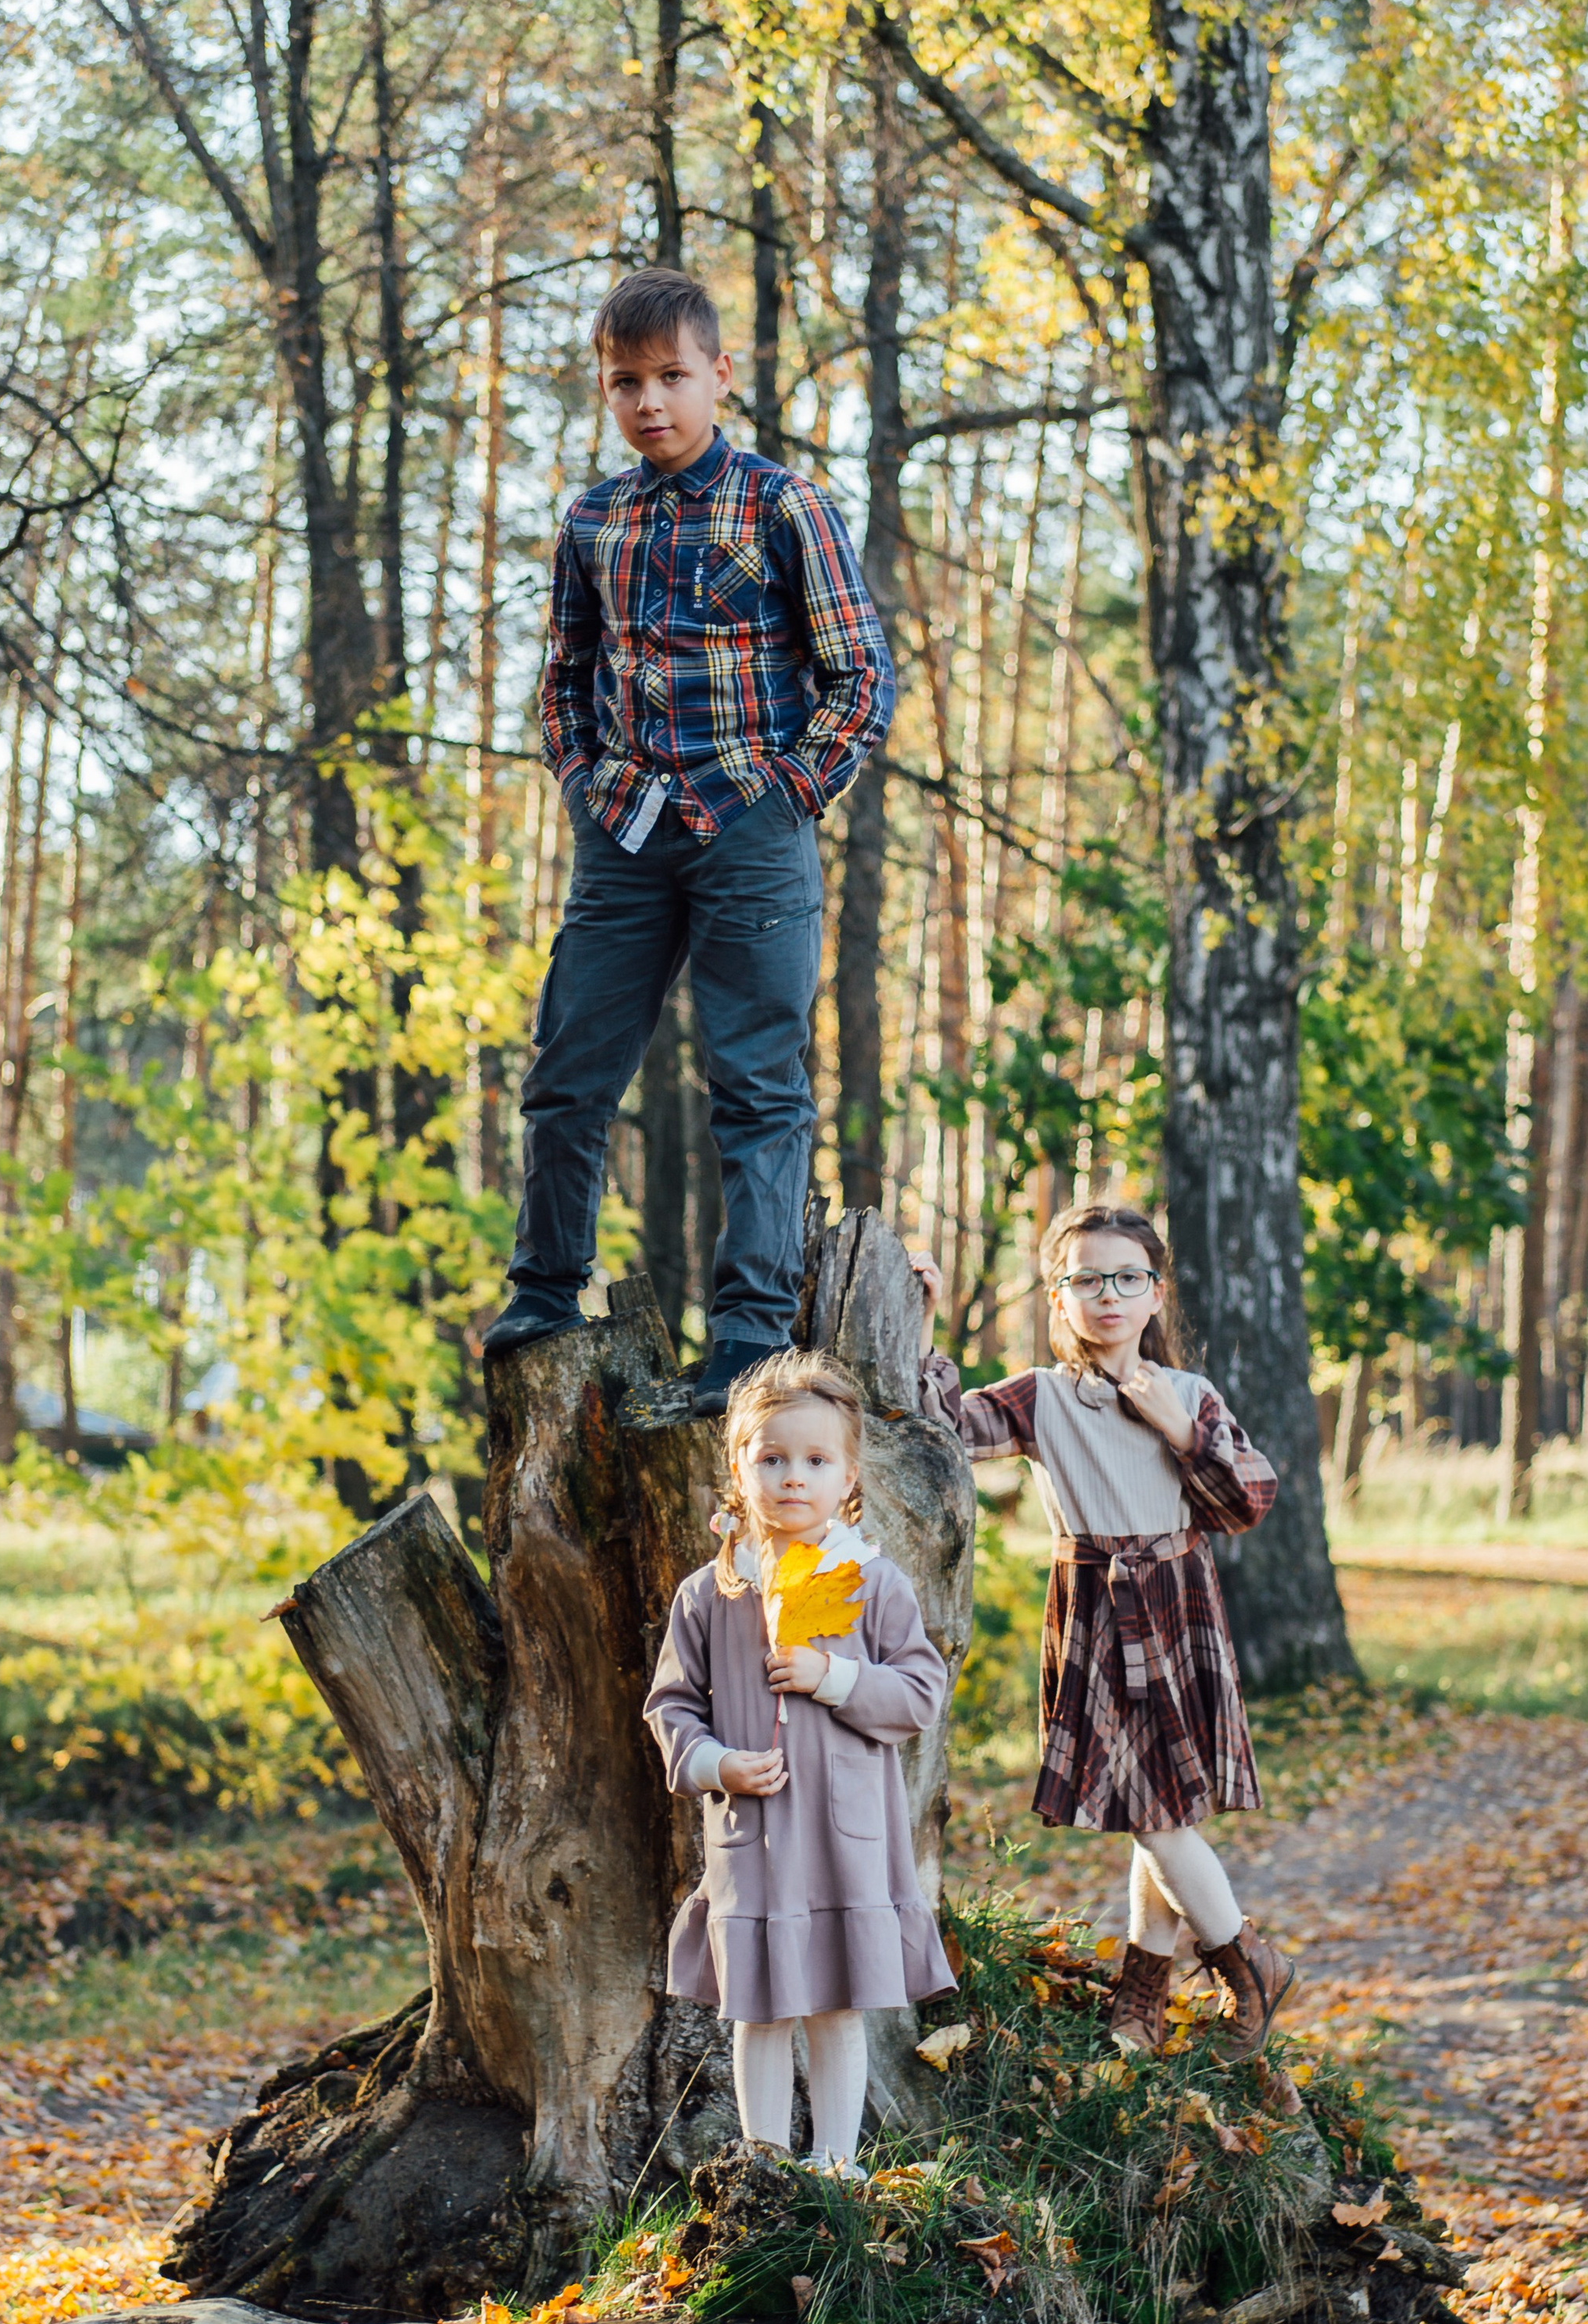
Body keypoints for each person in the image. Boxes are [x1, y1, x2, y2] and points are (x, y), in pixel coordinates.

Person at [486, 269, 895, 1412]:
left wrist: (782, 796)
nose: (650, 401)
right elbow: (563, 679)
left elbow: (859, 676)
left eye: (672, 377)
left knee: (757, 1088)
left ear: (721, 374)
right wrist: (582, 781)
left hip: (749, 838)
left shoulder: (784, 507)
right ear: (606, 392)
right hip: (624, 835)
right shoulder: (593, 521)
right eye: (626, 383)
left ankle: (749, 1338)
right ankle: (545, 1288)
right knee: (568, 1070)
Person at [912, 1203, 1294, 2062]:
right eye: (1086, 1278)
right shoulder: (1040, 1396)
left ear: (1155, 1294)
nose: (1108, 1293)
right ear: (1059, 1298)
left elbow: (1246, 1502)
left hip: (1175, 1605)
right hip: (1093, 1608)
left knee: (1155, 1812)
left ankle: (1234, 1967)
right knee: (1146, 1806)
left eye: (1127, 1276)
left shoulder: (1190, 1396)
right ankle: (1150, 1990)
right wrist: (926, 1322)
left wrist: (1174, 1426)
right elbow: (941, 1422)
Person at [645, 1348, 954, 2171]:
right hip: (756, 1844)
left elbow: (920, 1691)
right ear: (738, 1470)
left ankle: (838, 2163)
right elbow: (670, 1704)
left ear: (848, 1476)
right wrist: (716, 1764)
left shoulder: (870, 1581)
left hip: (847, 1841)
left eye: (816, 1460)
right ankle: (766, 2165)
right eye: (771, 1457)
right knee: (760, 2011)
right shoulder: (711, 1594)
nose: (792, 1477)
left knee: (836, 2006)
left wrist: (835, 1675)